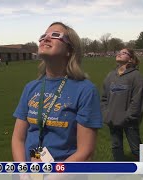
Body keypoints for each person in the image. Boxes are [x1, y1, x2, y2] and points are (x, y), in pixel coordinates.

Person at [12, 22, 102, 162]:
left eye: (55, 35)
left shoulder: (85, 90)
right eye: (43, 36)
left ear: (69, 50)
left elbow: (85, 151)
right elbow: (18, 139)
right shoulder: (30, 88)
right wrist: (23, 171)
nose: (45, 39)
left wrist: (53, 176)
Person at [101, 48, 143, 161]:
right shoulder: (110, 75)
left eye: (124, 53)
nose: (119, 54)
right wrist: (106, 114)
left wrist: (128, 117)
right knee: (116, 147)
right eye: (119, 52)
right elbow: (103, 98)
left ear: (130, 59)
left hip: (129, 121)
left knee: (136, 148)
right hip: (112, 119)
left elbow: (137, 100)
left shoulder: (136, 76)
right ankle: (119, 171)